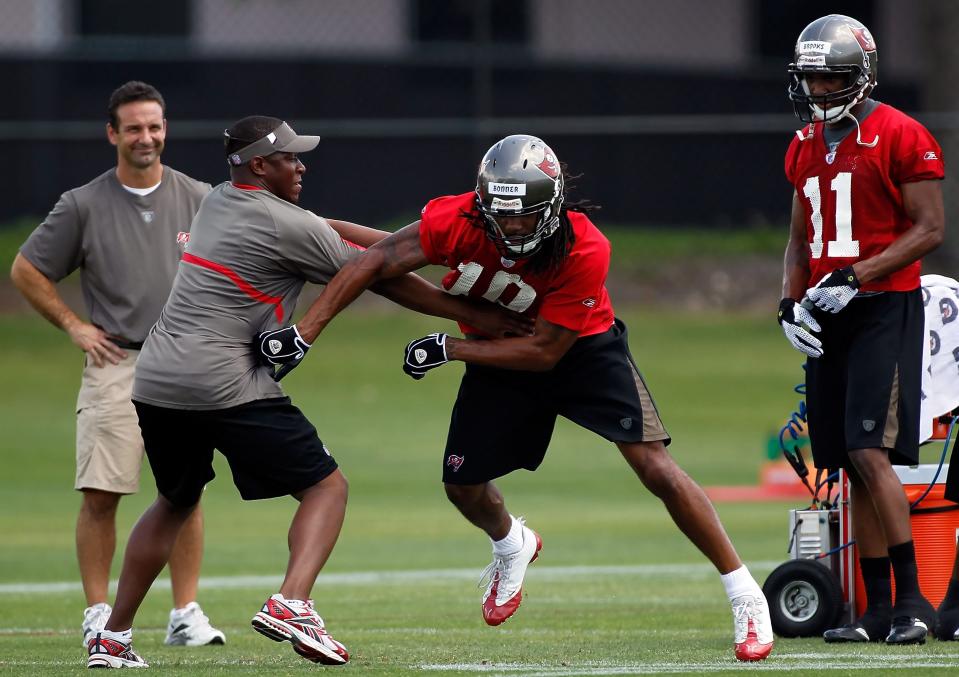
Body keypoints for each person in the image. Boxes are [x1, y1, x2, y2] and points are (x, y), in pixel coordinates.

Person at [256, 134, 775, 662]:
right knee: (462, 485)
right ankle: (512, 543)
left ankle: (744, 593)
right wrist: (306, 332)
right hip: (497, 349)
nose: (511, 228)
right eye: (501, 216)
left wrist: (451, 346)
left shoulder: (585, 245)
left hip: (581, 350)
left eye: (524, 217)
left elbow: (547, 352)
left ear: (552, 207)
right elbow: (378, 257)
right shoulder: (459, 217)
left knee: (655, 467)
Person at [84, 115, 532, 668]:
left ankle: (113, 635)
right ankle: (292, 602)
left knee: (174, 500)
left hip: (156, 379)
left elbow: (336, 231)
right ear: (257, 166)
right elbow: (377, 271)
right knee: (327, 488)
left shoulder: (222, 199)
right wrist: (477, 317)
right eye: (289, 158)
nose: (301, 165)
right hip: (221, 380)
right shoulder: (282, 223)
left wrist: (429, 252)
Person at [10, 81, 224, 649]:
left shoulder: (199, 197)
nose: (146, 137)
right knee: (102, 492)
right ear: (113, 134)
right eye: (133, 128)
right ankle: (98, 612)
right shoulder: (83, 203)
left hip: (186, 363)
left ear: (165, 129)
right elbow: (27, 269)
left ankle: (185, 613)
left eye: (154, 126)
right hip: (118, 361)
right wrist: (74, 326)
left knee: (186, 491)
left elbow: (237, 264)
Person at [777, 14, 945, 644]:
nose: (819, 92)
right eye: (811, 80)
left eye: (832, 79)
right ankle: (874, 612)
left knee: (872, 452)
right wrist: (789, 305)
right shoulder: (801, 145)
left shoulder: (901, 133)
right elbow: (798, 241)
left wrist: (857, 275)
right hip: (830, 312)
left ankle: (913, 604)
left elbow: (929, 228)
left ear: (862, 75)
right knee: (848, 460)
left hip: (883, 308)